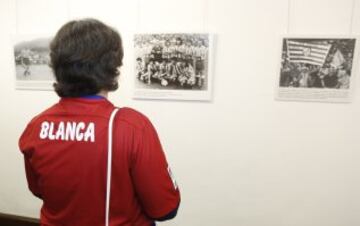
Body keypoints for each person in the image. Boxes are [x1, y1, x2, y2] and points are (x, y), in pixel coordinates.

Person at [18, 19, 180, 226]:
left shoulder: (36, 126)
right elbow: (166, 209)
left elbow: (39, 190)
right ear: (112, 67)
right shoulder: (131, 126)